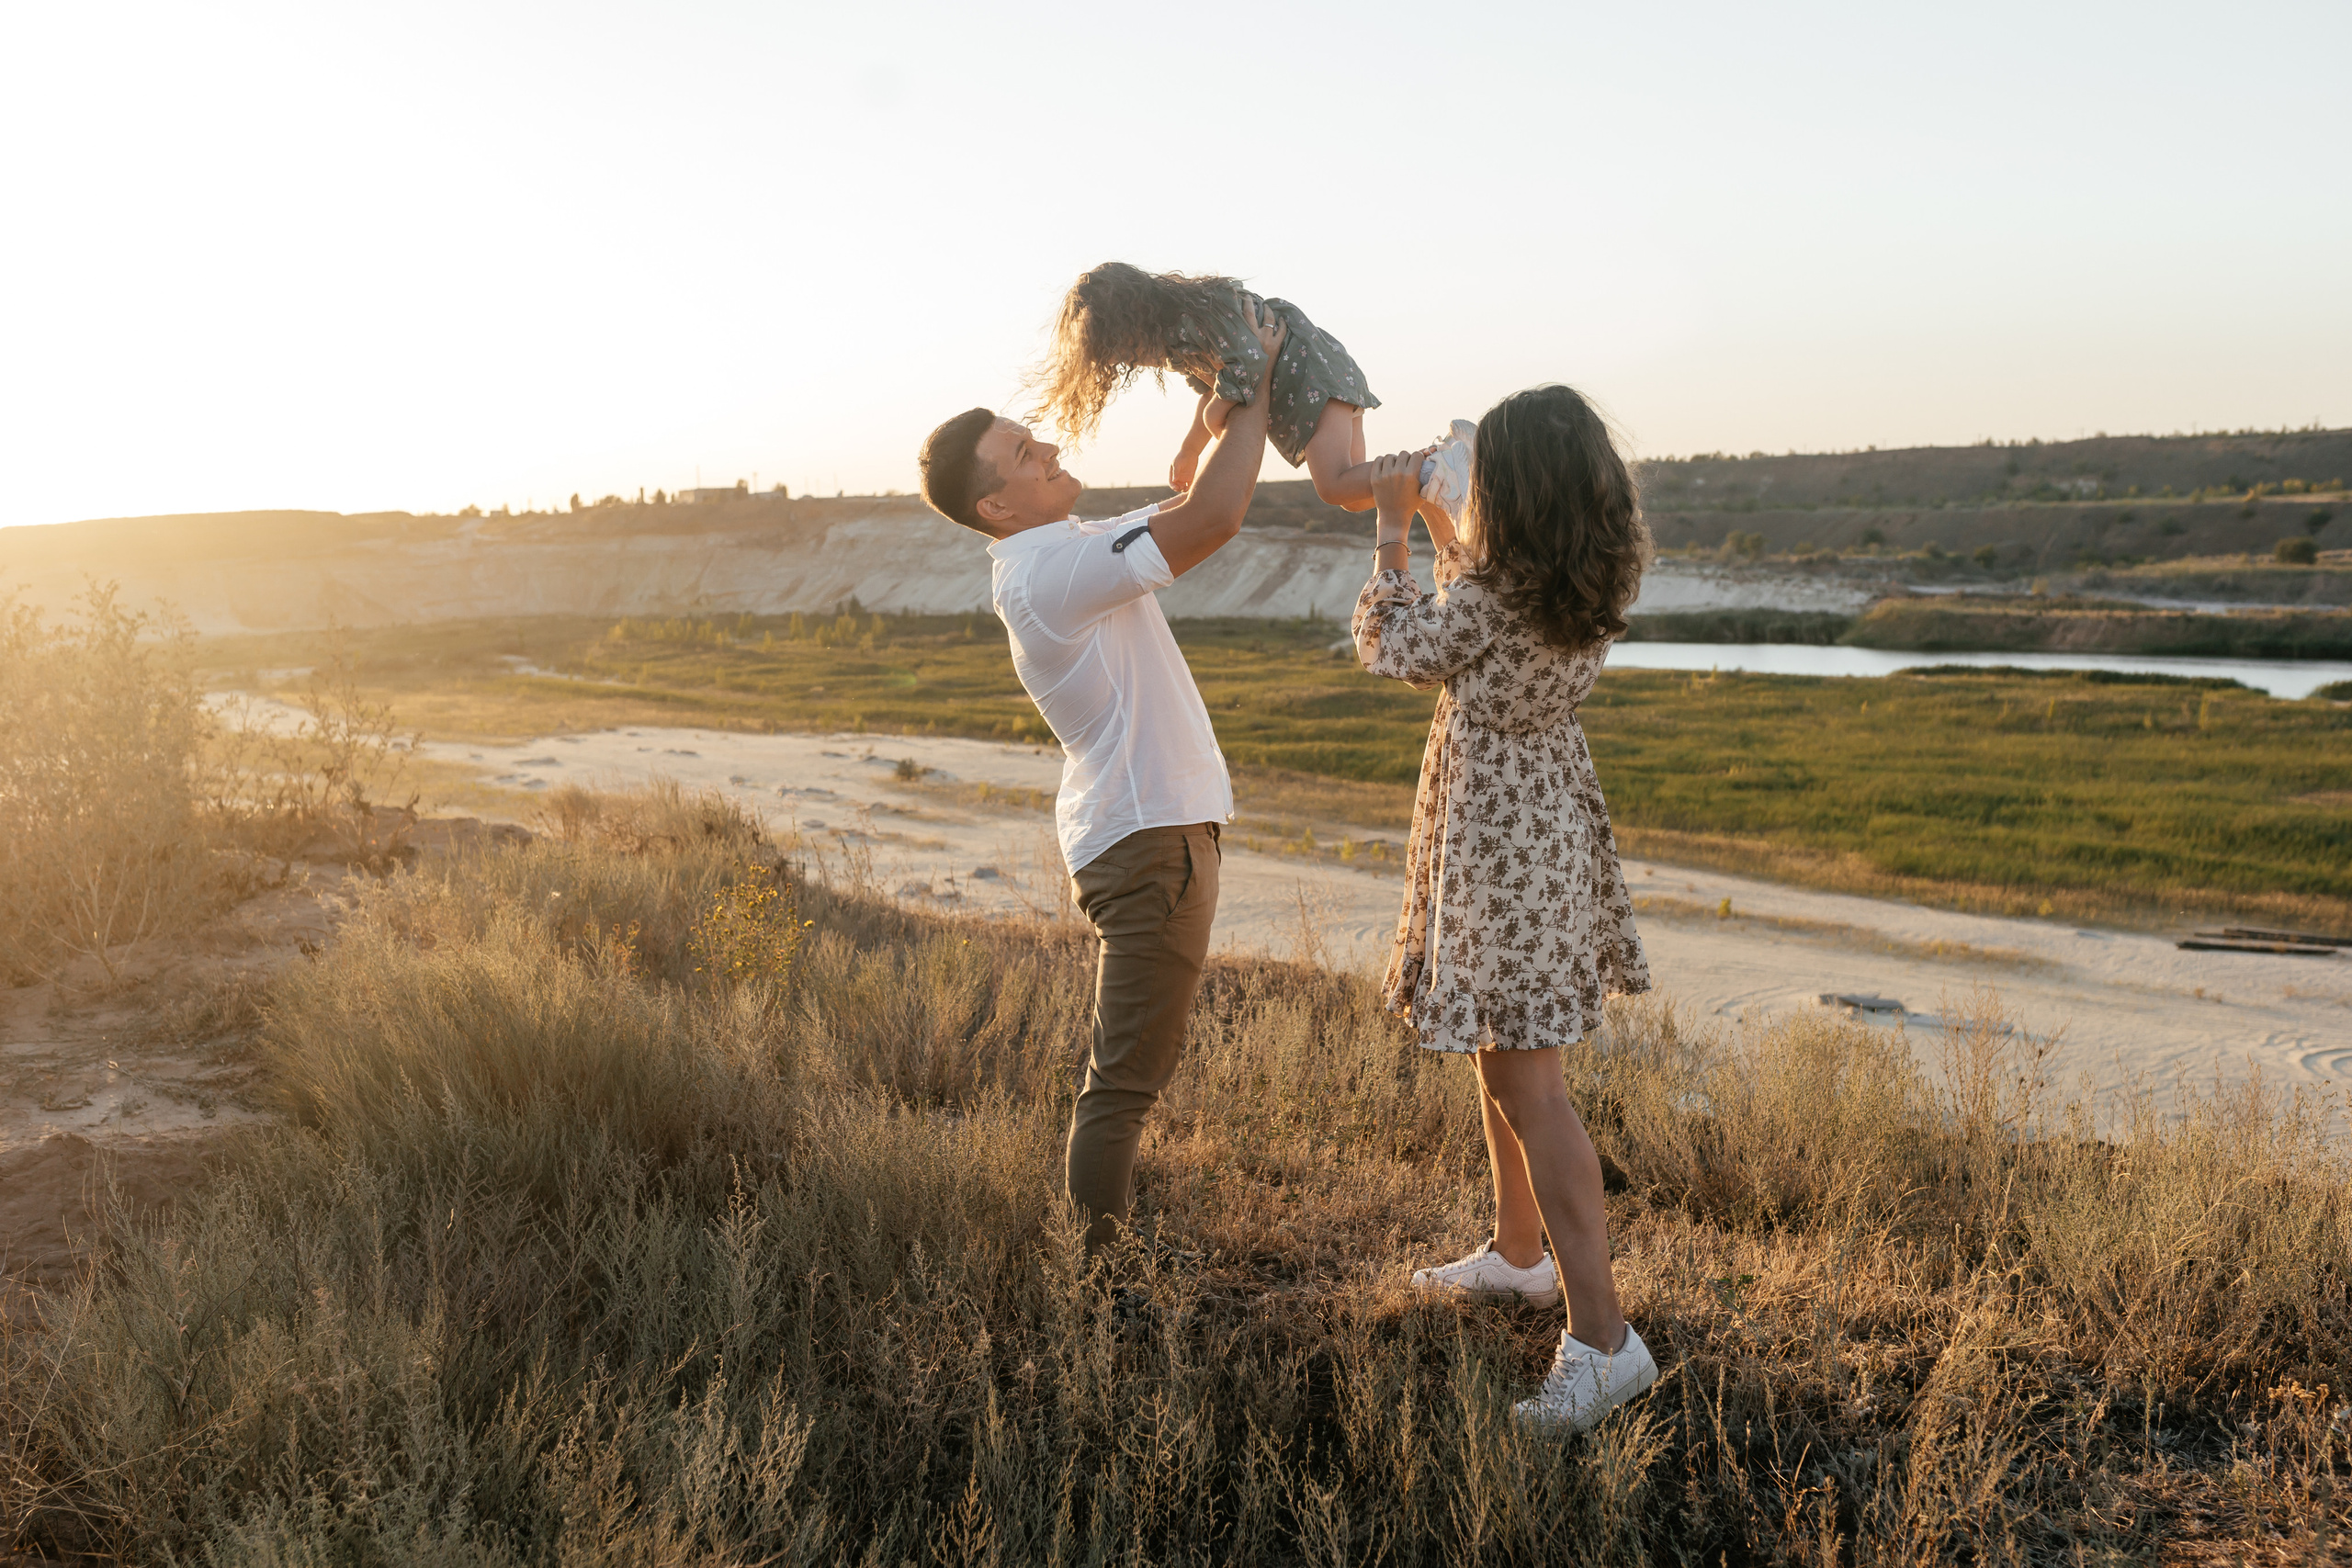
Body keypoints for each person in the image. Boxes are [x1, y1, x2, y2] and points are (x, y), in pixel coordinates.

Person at [916, 302, 1290, 1255]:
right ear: (996, 507)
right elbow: (1213, 518)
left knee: (1126, 1075)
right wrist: (1257, 384)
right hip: (1149, 840)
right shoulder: (1050, 574)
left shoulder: (1063, 549)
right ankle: (1096, 1286)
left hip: (1148, 833)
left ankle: (1101, 1264)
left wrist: (1208, 421)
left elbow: (1177, 500)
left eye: (1033, 435)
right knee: (1121, 1084)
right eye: (1023, 453)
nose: (1047, 447)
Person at [1350, 383, 1659, 1433]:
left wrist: (1392, 529)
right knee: (1504, 1057)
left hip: (1498, 847)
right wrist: (1449, 530)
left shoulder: (1494, 595)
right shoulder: (1570, 576)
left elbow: (1398, 645)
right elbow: (1473, 605)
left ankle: (1603, 1342)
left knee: (1532, 1088)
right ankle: (1520, 1256)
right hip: (1540, 832)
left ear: (1515, 493)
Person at [1028, 261, 1389, 512]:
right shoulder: (1179, 340)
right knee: (1357, 497)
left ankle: (1424, 468)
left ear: (1136, 321)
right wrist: (1190, 450)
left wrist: (1214, 416)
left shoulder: (1195, 319)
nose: (1130, 360)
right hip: (1323, 378)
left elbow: (1250, 363)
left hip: (1312, 381)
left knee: (1334, 485)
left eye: (1125, 348)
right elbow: (1214, 389)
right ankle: (1419, 487)